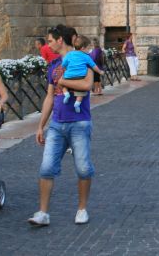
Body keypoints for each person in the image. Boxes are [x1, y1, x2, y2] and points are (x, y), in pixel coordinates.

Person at [29, 24, 95, 227]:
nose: (47, 45)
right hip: (57, 124)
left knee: (83, 169)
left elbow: (87, 85)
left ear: (60, 40)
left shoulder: (83, 60)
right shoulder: (53, 65)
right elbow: (49, 97)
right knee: (46, 168)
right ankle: (43, 213)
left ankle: (82, 209)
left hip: (79, 123)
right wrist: (41, 125)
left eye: (50, 40)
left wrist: (64, 83)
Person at [60, 36, 103, 113]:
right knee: (81, 90)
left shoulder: (69, 54)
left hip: (68, 76)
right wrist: (100, 72)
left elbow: (63, 65)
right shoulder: (86, 56)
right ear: (83, 48)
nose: (89, 50)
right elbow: (94, 66)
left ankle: (66, 93)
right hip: (81, 76)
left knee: (63, 83)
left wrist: (66, 69)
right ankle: (77, 103)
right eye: (88, 48)